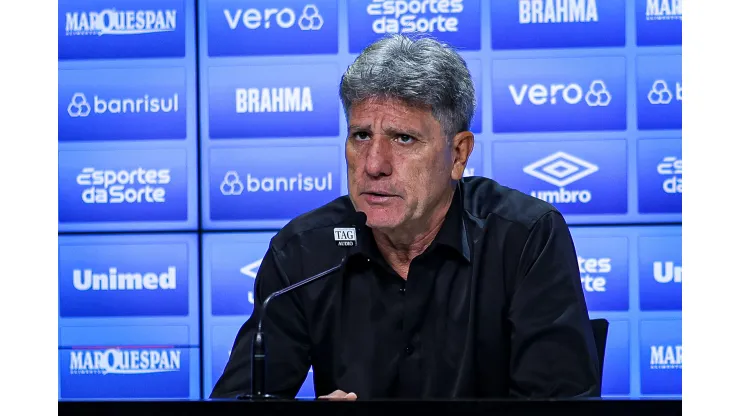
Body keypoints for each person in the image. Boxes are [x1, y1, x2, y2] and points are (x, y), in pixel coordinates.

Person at [211, 34, 600, 401]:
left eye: (404, 139)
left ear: (459, 155)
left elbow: (559, 406)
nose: (374, 165)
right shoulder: (304, 252)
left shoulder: (524, 239)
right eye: (361, 135)